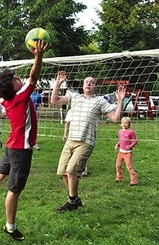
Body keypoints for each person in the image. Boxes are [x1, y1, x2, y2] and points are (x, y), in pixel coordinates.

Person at [0, 40, 48, 241]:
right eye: (15, 78)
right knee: (14, 190)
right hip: (21, 150)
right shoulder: (20, 97)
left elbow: (19, 83)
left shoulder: (6, 99)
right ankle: (10, 227)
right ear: (11, 87)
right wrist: (38, 56)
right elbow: (34, 75)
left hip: (11, 146)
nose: (18, 77)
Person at [50, 71, 125, 212]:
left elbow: (115, 118)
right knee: (63, 173)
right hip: (70, 140)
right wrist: (58, 84)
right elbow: (54, 101)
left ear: (95, 87)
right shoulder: (75, 97)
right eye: (86, 82)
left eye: (92, 82)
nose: (89, 84)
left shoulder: (99, 101)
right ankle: (74, 199)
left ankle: (72, 202)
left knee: (71, 171)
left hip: (86, 141)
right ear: (83, 86)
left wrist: (120, 100)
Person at [63, 109, 88, 177]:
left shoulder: (85, 111)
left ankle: (84, 169)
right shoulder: (71, 111)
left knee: (82, 154)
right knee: (71, 153)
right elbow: (67, 123)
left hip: (83, 135)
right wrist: (65, 134)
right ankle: (71, 170)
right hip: (72, 136)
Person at [114, 117, 138, 186]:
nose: (124, 124)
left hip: (127, 153)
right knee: (118, 165)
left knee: (129, 167)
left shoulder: (131, 132)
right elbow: (121, 140)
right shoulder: (120, 131)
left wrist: (130, 146)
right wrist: (117, 145)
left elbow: (135, 141)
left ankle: (134, 180)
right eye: (123, 123)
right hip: (121, 152)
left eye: (126, 123)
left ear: (129, 124)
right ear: (121, 124)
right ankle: (119, 177)